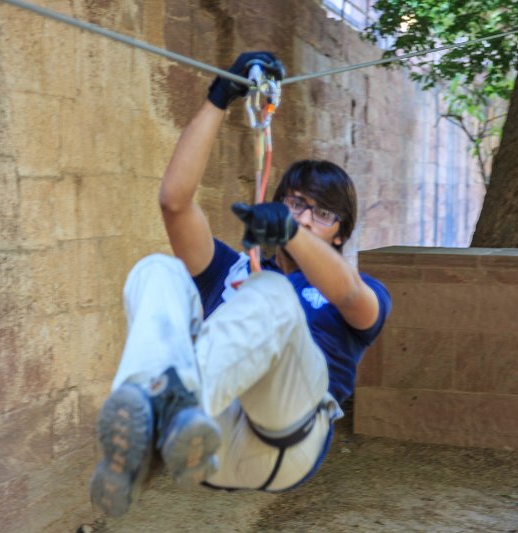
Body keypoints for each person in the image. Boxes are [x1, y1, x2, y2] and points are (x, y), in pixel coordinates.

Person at [89, 51, 392, 517]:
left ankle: (167, 415)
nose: (307, 220)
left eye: (323, 214)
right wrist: (219, 96)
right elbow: (174, 202)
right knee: (156, 270)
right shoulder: (230, 268)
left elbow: (351, 295)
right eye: (296, 205)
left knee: (270, 294)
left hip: (286, 439)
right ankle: (146, 430)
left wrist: (290, 233)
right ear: (279, 204)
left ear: (341, 234)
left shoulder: (351, 290)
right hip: (206, 442)